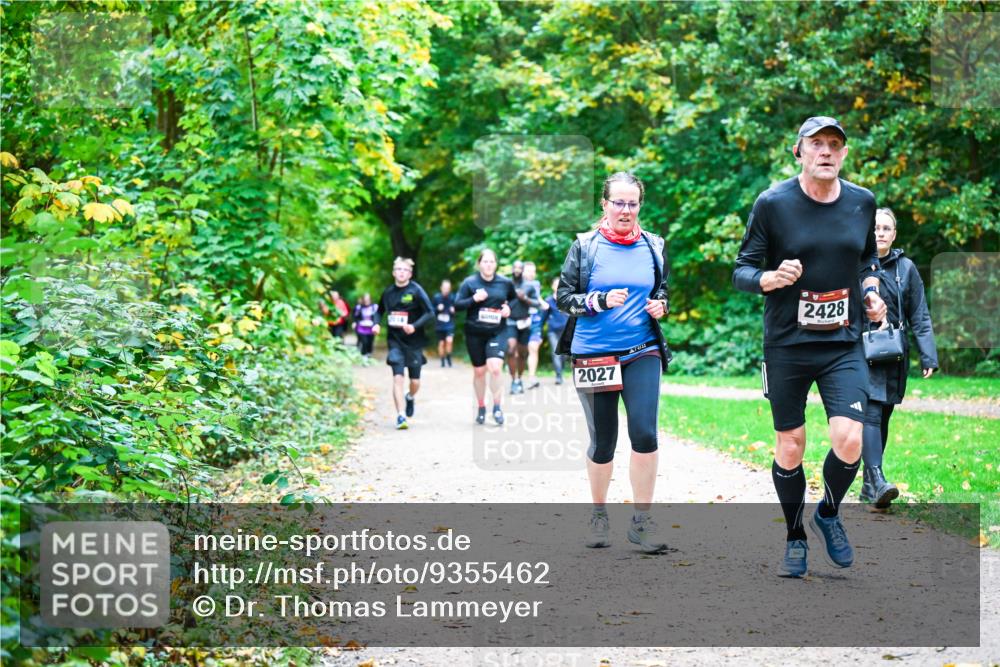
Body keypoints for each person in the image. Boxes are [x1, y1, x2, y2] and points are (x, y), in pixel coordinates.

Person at [732, 116, 887, 578]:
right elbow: (742, 267)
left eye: (834, 145)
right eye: (816, 144)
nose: (826, 152)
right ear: (798, 151)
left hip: (842, 341)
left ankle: (829, 512)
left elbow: (867, 259)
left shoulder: (862, 202)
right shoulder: (773, 203)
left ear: (844, 153)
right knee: (791, 445)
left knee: (851, 438)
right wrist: (768, 278)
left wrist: (872, 290)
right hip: (787, 344)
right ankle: (795, 535)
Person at [556, 172, 670, 554]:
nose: (625, 210)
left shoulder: (654, 245)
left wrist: (661, 305)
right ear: (604, 204)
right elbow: (563, 297)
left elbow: (661, 290)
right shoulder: (585, 247)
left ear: (640, 205)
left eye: (632, 203)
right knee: (603, 441)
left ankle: (641, 520)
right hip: (594, 353)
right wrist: (597, 301)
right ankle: (599, 512)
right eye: (618, 203)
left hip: (642, 350)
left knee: (645, 434)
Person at [860, 207, 938, 507]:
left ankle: (870, 485)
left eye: (886, 228)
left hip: (893, 353)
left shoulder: (906, 268)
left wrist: (928, 355)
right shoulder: (855, 263)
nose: (880, 233)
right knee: (871, 412)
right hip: (861, 350)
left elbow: (920, 313)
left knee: (884, 415)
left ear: (894, 234)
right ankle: (878, 479)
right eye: (875, 228)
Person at [455, 249, 517, 425]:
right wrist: (474, 299)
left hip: (497, 331)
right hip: (474, 332)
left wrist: (508, 309)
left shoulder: (505, 282)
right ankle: (481, 406)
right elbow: (457, 305)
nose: (488, 265)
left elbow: (513, 299)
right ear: (479, 264)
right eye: (485, 261)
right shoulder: (470, 282)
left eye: (491, 261)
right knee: (479, 371)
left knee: (495, 368)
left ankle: (497, 407)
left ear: (496, 264)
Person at [372, 258, 434, 430]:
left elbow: (430, 313)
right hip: (395, 341)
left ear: (410, 273)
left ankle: (410, 397)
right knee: (397, 377)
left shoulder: (416, 290)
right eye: (398, 269)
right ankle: (401, 415)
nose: (401, 272)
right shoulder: (388, 292)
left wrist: (414, 326)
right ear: (393, 272)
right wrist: (376, 324)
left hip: (414, 342)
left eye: (405, 270)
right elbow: (379, 312)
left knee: (415, 382)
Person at [505, 260, 541, 394]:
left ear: (522, 270)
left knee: (522, 354)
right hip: (510, 321)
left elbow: (537, 303)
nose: (517, 270)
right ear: (512, 269)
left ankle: (519, 379)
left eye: (520, 268)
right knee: (511, 349)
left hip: (525, 322)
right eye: (515, 267)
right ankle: (513, 380)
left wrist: (525, 298)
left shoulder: (529, 286)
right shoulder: (507, 284)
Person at [523, 261, 545, 389]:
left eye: (533, 271)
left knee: (533, 347)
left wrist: (543, 303)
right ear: (523, 271)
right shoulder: (517, 284)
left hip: (535, 319)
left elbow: (537, 298)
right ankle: (517, 377)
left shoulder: (536, 284)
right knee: (518, 350)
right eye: (528, 270)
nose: (531, 273)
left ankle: (531, 377)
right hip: (521, 320)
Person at [542, 277, 569, 385]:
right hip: (552, 331)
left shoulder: (567, 299)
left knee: (564, 354)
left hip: (566, 331)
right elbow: (543, 317)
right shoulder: (548, 301)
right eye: (556, 285)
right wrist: (539, 330)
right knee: (555, 352)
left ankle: (560, 370)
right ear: (552, 286)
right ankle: (559, 375)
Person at [432, 279, 457, 368]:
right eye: (444, 288)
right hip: (439, 324)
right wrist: (437, 309)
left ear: (450, 289)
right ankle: (442, 360)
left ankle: (449, 357)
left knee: (449, 341)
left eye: (448, 288)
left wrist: (454, 310)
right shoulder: (436, 297)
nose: (446, 289)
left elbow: (458, 308)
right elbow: (431, 311)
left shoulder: (453, 297)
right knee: (441, 343)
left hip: (449, 323)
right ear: (441, 288)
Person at [353, 293, 378, 358]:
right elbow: (355, 316)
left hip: (371, 328)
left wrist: (376, 324)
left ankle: (369, 353)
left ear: (370, 299)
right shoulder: (359, 307)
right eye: (365, 299)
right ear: (363, 300)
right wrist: (355, 322)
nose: (367, 301)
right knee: (364, 342)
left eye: (368, 299)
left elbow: (377, 316)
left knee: (370, 342)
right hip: (361, 328)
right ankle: (364, 355)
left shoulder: (374, 307)